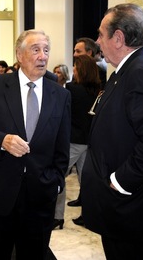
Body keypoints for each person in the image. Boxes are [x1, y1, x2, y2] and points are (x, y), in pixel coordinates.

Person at [81, 3, 143, 259]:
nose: (98, 41)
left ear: (118, 38)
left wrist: (119, 181)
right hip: (123, 208)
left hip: (134, 206)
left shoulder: (142, 72)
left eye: (101, 35)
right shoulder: (127, 70)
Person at [0, 29, 71, 260]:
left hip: (40, 195)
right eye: (35, 49)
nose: (42, 56)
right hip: (0, 193)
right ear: (19, 54)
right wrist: (1, 141)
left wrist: (55, 183)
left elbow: (62, 147)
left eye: (46, 50)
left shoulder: (60, 95)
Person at [53, 55, 100, 230]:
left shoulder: (71, 89)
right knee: (86, 180)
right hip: (89, 141)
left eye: (75, 67)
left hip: (73, 141)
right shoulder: (98, 90)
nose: (73, 70)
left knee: (58, 176)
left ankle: (57, 217)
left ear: (81, 70)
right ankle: (88, 216)